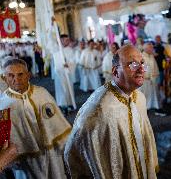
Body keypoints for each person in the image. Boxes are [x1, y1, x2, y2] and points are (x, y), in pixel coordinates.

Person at [64, 44, 159, 178]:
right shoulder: (98, 110)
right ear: (115, 72)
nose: (141, 70)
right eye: (132, 65)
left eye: (142, 63)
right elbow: (74, 149)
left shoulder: (139, 98)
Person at [0, 58, 71, 178]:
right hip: (24, 158)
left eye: (20, 74)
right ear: (4, 77)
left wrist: (65, 144)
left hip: (51, 153)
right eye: (11, 75)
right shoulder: (3, 104)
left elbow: (56, 121)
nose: (16, 79)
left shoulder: (41, 93)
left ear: (28, 75)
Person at [140, 42, 160, 110]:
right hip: (144, 80)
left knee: (151, 94)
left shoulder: (151, 56)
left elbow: (154, 66)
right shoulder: (141, 57)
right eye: (151, 48)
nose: (152, 49)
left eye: (152, 48)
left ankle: (150, 106)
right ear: (146, 49)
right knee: (144, 95)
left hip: (151, 79)